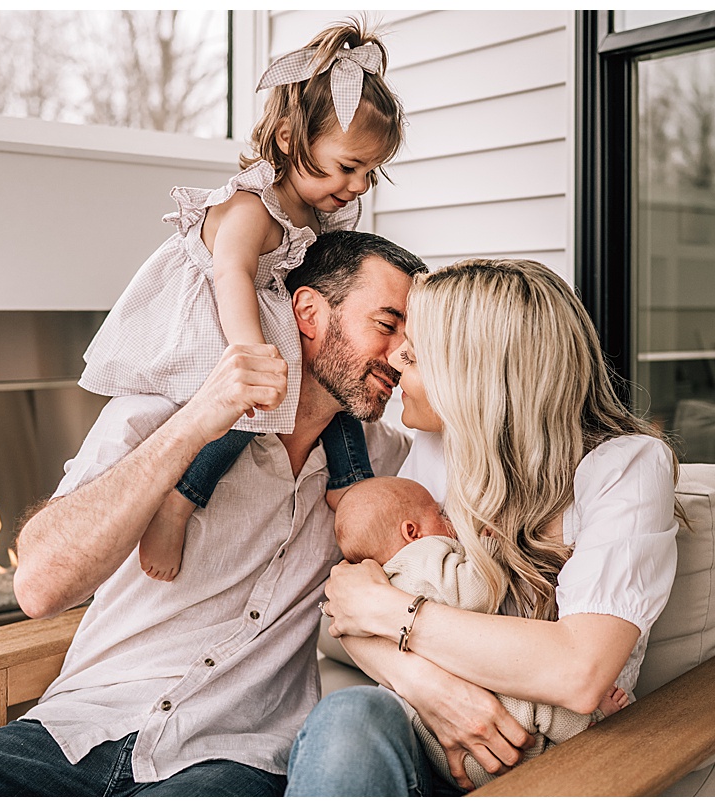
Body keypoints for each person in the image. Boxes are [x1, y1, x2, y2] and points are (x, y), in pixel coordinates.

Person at [0, 230, 427, 797]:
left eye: (413, 335)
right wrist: (200, 419)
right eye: (386, 323)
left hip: (231, 758)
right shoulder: (160, 409)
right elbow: (40, 586)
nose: (403, 351)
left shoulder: (385, 470)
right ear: (307, 312)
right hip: (73, 734)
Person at [285, 258, 680, 796]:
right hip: (433, 738)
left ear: (479, 377)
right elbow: (349, 609)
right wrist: (431, 689)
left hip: (550, 761)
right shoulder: (440, 444)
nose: (396, 358)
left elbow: (580, 671)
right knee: (349, 719)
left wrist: (391, 613)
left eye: (418, 353)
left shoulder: (626, 468)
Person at [78, 18, 407, 581]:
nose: (357, 186)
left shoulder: (318, 209)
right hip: (222, 323)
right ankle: (177, 504)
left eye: (370, 173)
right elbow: (231, 273)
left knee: (334, 387)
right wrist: (247, 353)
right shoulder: (252, 205)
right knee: (242, 416)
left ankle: (351, 488)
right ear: (288, 140)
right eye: (348, 167)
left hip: (274, 321)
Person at [332, 475, 629, 790]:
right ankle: (590, 725)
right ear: (411, 531)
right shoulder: (422, 556)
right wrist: (492, 546)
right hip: (484, 716)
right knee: (536, 703)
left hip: (442, 748)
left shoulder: (380, 578)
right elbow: (472, 591)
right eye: (440, 513)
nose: (449, 520)